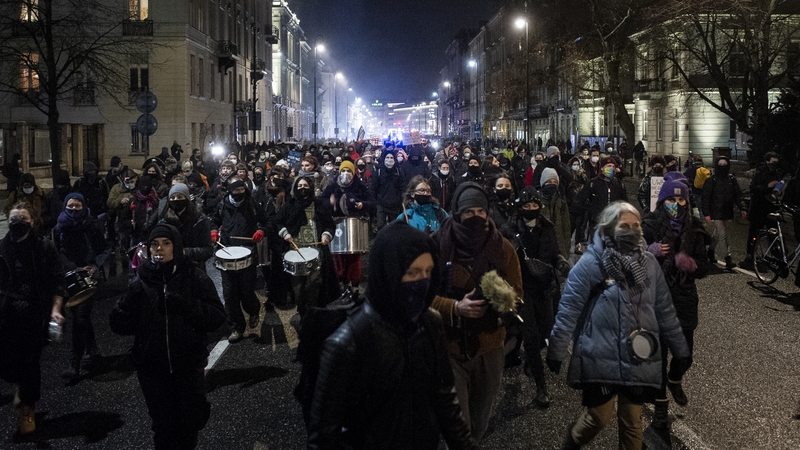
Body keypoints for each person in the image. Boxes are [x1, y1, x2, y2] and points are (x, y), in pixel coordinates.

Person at [306, 222, 478, 450]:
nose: (423, 281)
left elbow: (445, 398)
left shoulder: (430, 323)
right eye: (413, 272)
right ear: (388, 272)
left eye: (428, 271)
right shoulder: (347, 343)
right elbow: (323, 437)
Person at [547, 201, 692, 450]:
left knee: (632, 421)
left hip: (637, 355)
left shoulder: (648, 263)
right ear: (609, 227)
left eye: (636, 225)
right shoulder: (592, 263)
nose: (632, 230)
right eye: (625, 225)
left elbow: (664, 310)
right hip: (600, 353)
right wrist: (557, 349)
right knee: (599, 417)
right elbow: (569, 308)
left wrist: (681, 351)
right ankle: (572, 441)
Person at [109, 224, 226, 450]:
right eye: (154, 244)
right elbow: (119, 327)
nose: (159, 249)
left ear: (176, 247)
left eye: (166, 243)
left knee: (189, 424)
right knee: (163, 427)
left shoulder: (194, 277)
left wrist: (187, 307)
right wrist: (124, 306)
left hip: (187, 366)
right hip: (152, 369)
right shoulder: (141, 280)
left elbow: (217, 317)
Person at [430, 182, 523, 441]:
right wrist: (455, 308)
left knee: (480, 424)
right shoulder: (437, 245)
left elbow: (517, 294)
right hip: (449, 348)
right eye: (468, 212)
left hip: (489, 347)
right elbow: (420, 297)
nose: (475, 217)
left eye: (480, 211)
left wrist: (501, 298)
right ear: (457, 213)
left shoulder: (502, 248)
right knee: (459, 429)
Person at [642, 177, 710, 429]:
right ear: (662, 201)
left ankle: (675, 378)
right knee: (658, 357)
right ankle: (660, 405)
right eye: (671, 199)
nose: (677, 204)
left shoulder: (695, 230)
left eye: (682, 200)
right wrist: (650, 251)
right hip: (656, 299)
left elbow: (704, 266)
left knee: (685, 356)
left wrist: (693, 266)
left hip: (683, 299)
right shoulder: (649, 225)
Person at [501, 188, 570, 408]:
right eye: (526, 206)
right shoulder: (510, 230)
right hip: (522, 290)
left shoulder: (547, 227)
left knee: (546, 331)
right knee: (530, 336)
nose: (531, 209)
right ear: (519, 207)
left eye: (534, 205)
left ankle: (533, 358)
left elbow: (555, 251)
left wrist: (560, 263)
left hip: (544, 287)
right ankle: (541, 387)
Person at [0, 202, 65, 435]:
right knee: (7, 365)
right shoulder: (1, 248)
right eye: (13, 218)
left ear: (32, 221)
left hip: (34, 317)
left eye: (22, 218)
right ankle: (21, 385)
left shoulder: (44, 248)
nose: (17, 222)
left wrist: (56, 308)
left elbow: (58, 280)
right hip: (6, 317)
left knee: (30, 364)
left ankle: (28, 408)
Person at [53, 193, 110, 382]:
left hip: (88, 277)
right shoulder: (58, 228)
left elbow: (104, 248)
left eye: (78, 206)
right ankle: (92, 351)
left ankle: (74, 363)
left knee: (80, 318)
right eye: (70, 206)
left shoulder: (91, 226)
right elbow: (55, 254)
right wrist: (71, 268)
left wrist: (94, 266)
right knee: (80, 317)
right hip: (68, 277)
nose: (74, 209)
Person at [210, 178, 270, 342]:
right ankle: (236, 327)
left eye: (242, 191)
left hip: (247, 252)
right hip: (227, 252)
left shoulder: (251, 204)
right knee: (229, 294)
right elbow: (214, 220)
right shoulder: (223, 205)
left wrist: (261, 232)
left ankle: (253, 308)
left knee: (246, 291)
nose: (239, 195)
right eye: (235, 192)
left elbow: (266, 221)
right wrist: (214, 231)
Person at [274, 176, 339, 317]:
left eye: (305, 186)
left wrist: (326, 235)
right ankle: (302, 308)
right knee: (298, 289)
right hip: (294, 252)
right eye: (299, 186)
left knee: (313, 286)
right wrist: (285, 233)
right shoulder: (289, 206)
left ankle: (310, 315)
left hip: (316, 252)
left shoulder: (318, 205)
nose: (302, 189)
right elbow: (278, 222)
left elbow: (329, 224)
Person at [322, 161, 376, 301]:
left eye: (349, 171)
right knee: (339, 257)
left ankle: (354, 285)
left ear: (353, 173)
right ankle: (342, 283)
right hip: (338, 224)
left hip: (354, 223)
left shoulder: (359, 185)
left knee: (354, 257)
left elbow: (372, 203)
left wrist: (362, 204)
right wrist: (330, 203)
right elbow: (321, 201)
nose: (346, 173)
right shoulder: (333, 185)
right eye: (343, 170)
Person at [148, 183, 214, 270]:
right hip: (170, 268)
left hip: (193, 268)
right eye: (172, 197)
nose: (176, 200)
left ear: (186, 198)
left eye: (179, 197)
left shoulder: (199, 220)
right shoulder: (164, 221)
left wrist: (185, 252)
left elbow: (208, 250)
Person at [702, 156, 746, 269]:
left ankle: (710, 251)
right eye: (720, 164)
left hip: (726, 210)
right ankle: (728, 258)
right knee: (723, 235)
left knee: (717, 234)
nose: (722, 167)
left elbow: (737, 195)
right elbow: (706, 197)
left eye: (724, 164)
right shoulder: (712, 180)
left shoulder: (731, 179)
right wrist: (706, 213)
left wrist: (742, 207)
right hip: (716, 211)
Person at [742, 151, 781, 269]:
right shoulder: (760, 171)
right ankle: (750, 253)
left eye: (776, 162)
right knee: (755, 231)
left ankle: (777, 255)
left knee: (773, 231)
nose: (775, 165)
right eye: (773, 162)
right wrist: (768, 186)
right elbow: (754, 188)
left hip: (771, 206)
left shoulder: (775, 172)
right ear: (767, 161)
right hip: (759, 207)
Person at [583, 156, 627, 243]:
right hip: (597, 222)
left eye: (613, 166)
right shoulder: (593, 183)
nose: (611, 168)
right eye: (608, 166)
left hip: (614, 222)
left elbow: (624, 202)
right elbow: (583, 200)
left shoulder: (619, 184)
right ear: (602, 168)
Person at [539, 167, 572, 258]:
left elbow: (566, 230)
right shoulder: (536, 203)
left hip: (559, 249)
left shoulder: (562, 204)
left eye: (555, 182)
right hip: (542, 249)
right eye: (549, 182)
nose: (552, 184)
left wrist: (566, 252)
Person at [370, 151, 406, 231]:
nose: (389, 159)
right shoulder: (378, 172)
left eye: (391, 158)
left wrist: (401, 200)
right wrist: (374, 202)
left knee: (394, 227)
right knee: (380, 226)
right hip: (381, 204)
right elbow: (373, 188)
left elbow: (403, 187)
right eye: (387, 157)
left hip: (394, 204)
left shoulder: (398, 172)